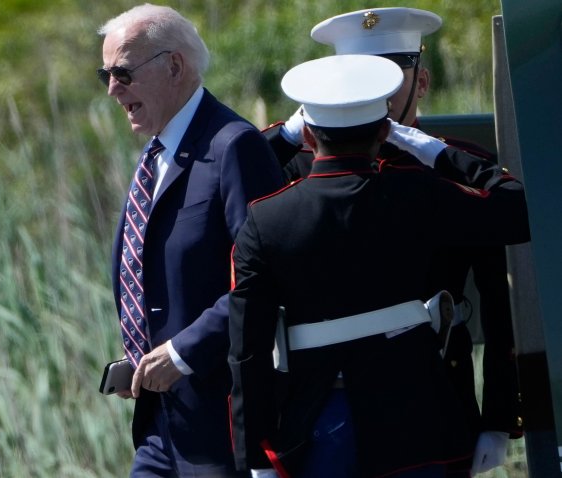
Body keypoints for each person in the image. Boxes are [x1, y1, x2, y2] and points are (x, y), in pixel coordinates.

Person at [228, 54, 530, 477]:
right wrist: (441, 154)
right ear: (387, 131)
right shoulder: (421, 194)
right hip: (418, 425)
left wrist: (256, 458)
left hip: (317, 427)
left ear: (309, 136)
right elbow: (517, 207)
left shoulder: (265, 218)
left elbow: (247, 350)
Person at [97, 4, 285, 476]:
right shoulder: (154, 154)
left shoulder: (233, 146)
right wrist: (141, 357)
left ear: (174, 66)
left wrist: (182, 353)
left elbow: (263, 279)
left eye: (122, 73)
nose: (113, 90)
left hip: (219, 428)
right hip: (159, 425)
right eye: (106, 75)